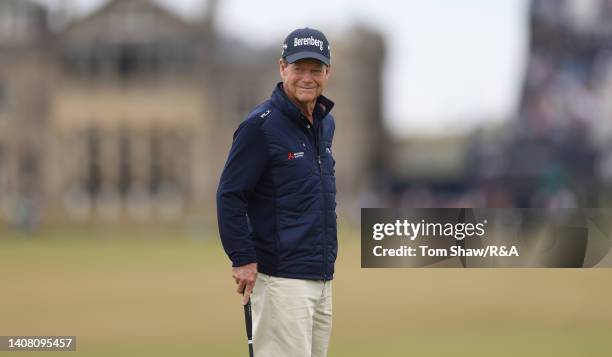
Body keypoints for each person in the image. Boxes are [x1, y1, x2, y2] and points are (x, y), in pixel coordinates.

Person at [216, 27, 337, 357]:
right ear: (282, 67)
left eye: (316, 69)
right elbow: (229, 194)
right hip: (282, 280)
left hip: (321, 278)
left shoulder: (325, 124)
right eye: (299, 69)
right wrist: (242, 258)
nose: (307, 78)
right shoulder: (260, 125)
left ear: (328, 72)